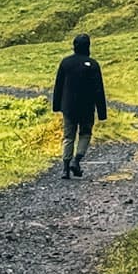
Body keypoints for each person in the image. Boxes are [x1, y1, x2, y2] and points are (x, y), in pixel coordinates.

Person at [51, 30, 107, 178]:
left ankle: (65, 168)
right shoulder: (93, 65)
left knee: (68, 136)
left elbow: (59, 86)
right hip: (87, 107)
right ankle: (76, 161)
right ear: (88, 46)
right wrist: (102, 112)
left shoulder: (66, 63)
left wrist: (56, 105)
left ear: (74, 46)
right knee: (85, 134)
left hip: (68, 107)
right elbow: (98, 89)